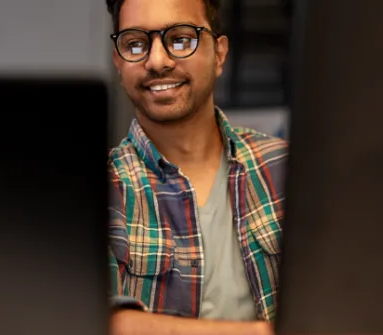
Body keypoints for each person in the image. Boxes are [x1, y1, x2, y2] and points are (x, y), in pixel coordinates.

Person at [106, 0, 288, 334]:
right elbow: (102, 322)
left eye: (180, 39)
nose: (157, 61)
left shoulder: (287, 169)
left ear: (219, 54)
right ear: (119, 62)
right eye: (135, 44)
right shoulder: (97, 192)